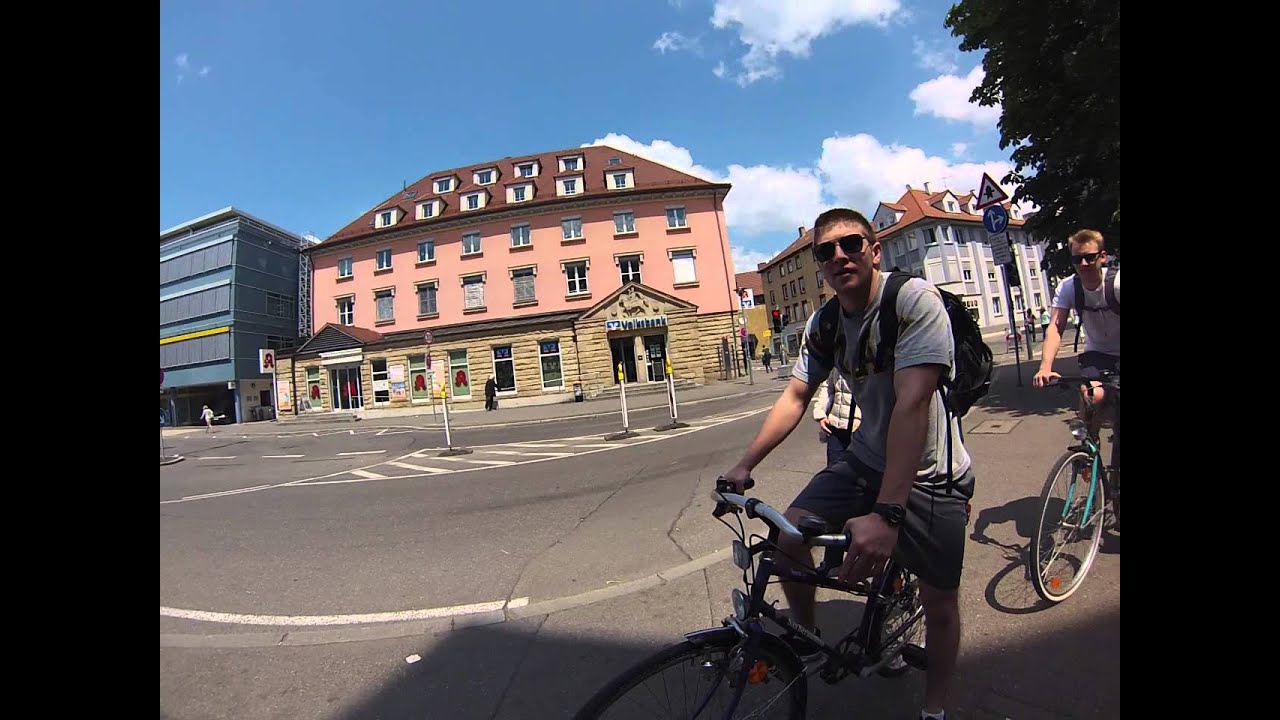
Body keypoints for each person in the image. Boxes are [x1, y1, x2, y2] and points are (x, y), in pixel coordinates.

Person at [721, 207, 974, 720]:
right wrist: (743, 465)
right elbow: (795, 394)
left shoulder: (911, 301)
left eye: (852, 244)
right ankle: (811, 638)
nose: (840, 256)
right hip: (864, 457)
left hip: (931, 474)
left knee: (941, 601)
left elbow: (912, 404)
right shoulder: (826, 321)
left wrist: (889, 513)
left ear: (874, 250)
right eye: (826, 251)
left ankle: (935, 709)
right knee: (787, 536)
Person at [1033, 228, 1120, 472]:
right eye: (1076, 259)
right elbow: (1056, 326)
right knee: (1092, 395)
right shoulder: (1069, 287)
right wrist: (1045, 367)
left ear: (1102, 257)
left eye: (1089, 257)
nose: (1083, 264)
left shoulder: (1116, 283)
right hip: (1098, 353)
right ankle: (1086, 452)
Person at [812, 369, 859, 467]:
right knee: (834, 470)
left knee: (859, 473)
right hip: (835, 426)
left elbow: (874, 390)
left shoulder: (868, 358)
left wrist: (859, 417)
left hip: (861, 430)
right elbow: (827, 387)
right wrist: (820, 414)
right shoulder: (838, 358)